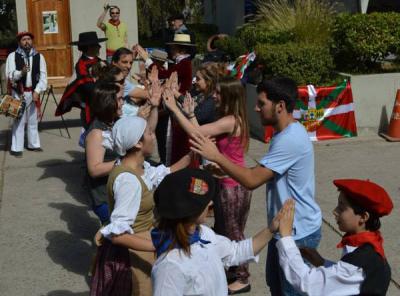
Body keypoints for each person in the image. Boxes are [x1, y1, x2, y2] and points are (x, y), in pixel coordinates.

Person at [189, 77, 322, 296]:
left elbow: (252, 180)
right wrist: (225, 170)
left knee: (292, 292)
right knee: (278, 287)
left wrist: (217, 157)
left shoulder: (291, 138)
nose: (256, 108)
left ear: (280, 106)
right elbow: (266, 170)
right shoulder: (284, 133)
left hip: (298, 232)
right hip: (284, 228)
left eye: (261, 103)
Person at [164, 77, 253, 293]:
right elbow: (203, 134)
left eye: (218, 93)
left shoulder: (231, 120)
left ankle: (242, 277)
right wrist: (191, 114)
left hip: (232, 186)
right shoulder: (228, 118)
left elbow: (197, 134)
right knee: (225, 228)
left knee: (233, 230)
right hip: (227, 182)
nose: (214, 95)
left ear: (230, 97)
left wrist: (175, 110)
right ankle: (232, 270)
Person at [90, 116, 193, 296]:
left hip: (142, 243)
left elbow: (165, 173)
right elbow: (118, 235)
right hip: (133, 254)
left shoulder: (139, 168)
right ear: (137, 144)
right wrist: (161, 246)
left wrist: (193, 154)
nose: (153, 137)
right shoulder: (128, 181)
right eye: (149, 133)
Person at [151, 168, 294, 295]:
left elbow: (235, 252)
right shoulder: (170, 267)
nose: (211, 203)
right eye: (203, 202)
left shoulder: (203, 234)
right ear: (187, 212)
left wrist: (271, 229)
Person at [276, 179, 392, 296]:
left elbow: (307, 283)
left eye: (342, 208)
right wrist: (321, 262)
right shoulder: (369, 244)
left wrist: (286, 237)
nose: (335, 211)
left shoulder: (360, 261)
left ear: (363, 217)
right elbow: (345, 280)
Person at [85, 83, 123, 224]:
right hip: (104, 198)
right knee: (117, 237)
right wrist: (124, 162)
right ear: (108, 102)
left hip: (116, 193)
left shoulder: (114, 122)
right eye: (119, 99)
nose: (122, 103)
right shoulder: (97, 132)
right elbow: (94, 169)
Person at [6, 31, 47, 158]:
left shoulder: (39, 56)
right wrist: (21, 73)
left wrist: (37, 91)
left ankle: (33, 144)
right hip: (18, 92)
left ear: (32, 41)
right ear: (19, 42)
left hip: (33, 92)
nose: (27, 41)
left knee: (33, 120)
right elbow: (10, 74)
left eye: (29, 39)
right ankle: (17, 147)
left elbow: (43, 76)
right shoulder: (12, 56)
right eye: (24, 39)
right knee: (19, 120)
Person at [55, 31, 107, 129]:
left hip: (103, 105)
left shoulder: (100, 61)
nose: (99, 47)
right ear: (89, 47)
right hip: (90, 108)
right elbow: (87, 86)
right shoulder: (81, 65)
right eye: (96, 45)